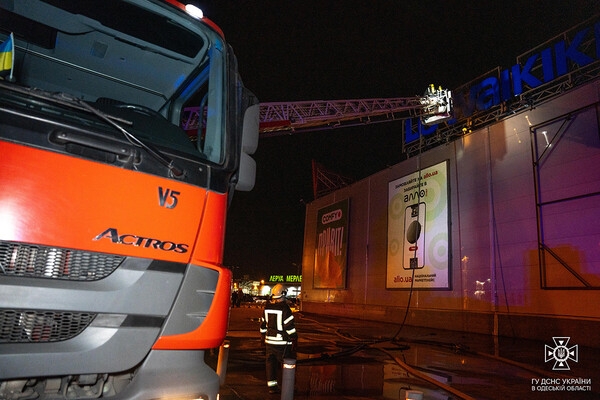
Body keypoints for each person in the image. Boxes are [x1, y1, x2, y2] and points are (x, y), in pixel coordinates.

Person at [259, 284, 298, 394]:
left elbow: (263, 325)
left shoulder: (266, 308)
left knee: (270, 364)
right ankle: (289, 387)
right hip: (282, 343)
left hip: (269, 342)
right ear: (283, 294)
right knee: (288, 364)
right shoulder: (285, 309)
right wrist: (294, 337)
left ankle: (272, 387)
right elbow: (289, 327)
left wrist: (262, 337)